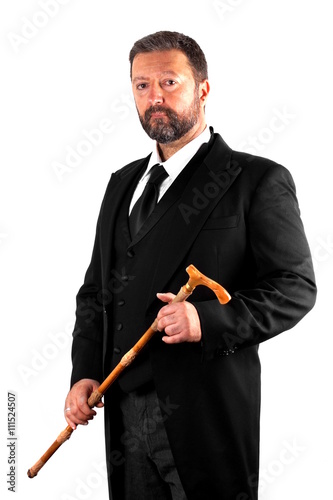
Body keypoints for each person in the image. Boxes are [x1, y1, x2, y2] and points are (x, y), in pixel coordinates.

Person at [64, 31, 316, 500]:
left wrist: (207, 319)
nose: (154, 96)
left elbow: (295, 287)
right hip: (123, 413)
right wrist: (83, 372)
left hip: (208, 415)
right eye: (141, 86)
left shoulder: (257, 179)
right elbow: (94, 293)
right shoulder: (121, 184)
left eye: (168, 82)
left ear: (202, 89)